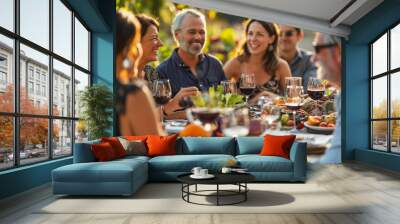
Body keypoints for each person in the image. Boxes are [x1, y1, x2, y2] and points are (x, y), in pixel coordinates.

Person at [136, 14, 198, 118]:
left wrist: (194, 114)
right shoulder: (121, 80)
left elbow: (161, 115)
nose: (160, 43)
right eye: (154, 38)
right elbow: (140, 120)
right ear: (136, 41)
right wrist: (170, 105)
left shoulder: (150, 73)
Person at [156, 9, 226, 97]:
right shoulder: (163, 72)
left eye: (202, 32)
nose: (198, 37)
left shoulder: (215, 65)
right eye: (192, 32)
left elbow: (227, 101)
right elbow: (158, 109)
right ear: (177, 35)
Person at [116, 10, 164, 135]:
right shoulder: (134, 92)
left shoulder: (107, 85)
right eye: (135, 43)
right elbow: (156, 143)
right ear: (128, 48)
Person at [224, 19, 291, 98]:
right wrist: (254, 101)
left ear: (271, 39)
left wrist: (274, 98)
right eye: (250, 34)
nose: (253, 39)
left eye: (259, 34)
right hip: (241, 110)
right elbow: (217, 94)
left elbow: (292, 100)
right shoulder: (236, 63)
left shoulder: (281, 66)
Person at [312, 33, 342, 164]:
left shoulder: (352, 98)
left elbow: (332, 163)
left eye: (317, 50)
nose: (313, 58)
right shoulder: (344, 94)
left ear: (337, 52)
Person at [278, 25, 317, 90]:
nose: (283, 38)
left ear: (300, 36)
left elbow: (309, 89)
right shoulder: (268, 60)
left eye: (289, 34)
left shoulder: (310, 59)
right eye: (279, 34)